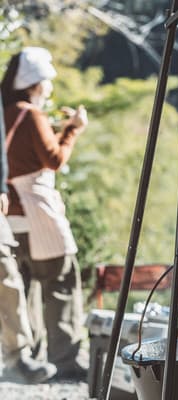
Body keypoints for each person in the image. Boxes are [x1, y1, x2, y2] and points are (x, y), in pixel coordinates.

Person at [0, 47, 88, 380]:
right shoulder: (30, 115)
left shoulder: (5, 113)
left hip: (10, 217)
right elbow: (54, 159)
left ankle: (29, 359)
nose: (49, 87)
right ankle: (65, 360)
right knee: (60, 281)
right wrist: (73, 129)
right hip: (39, 213)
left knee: (22, 287)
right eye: (47, 82)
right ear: (36, 84)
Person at [0, 90, 57, 383]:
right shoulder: (29, 113)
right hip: (33, 209)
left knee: (5, 271)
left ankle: (17, 357)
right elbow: (55, 159)